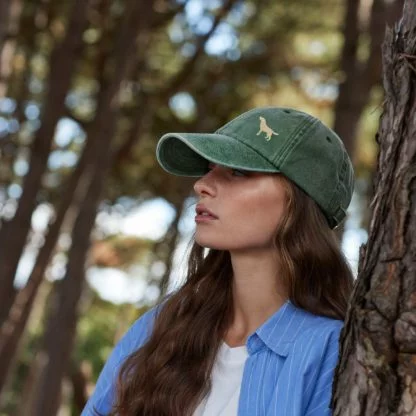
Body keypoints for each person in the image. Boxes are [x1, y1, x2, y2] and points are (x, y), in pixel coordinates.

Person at [82, 106, 355, 416]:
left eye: (238, 171)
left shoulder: (331, 351)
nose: (202, 185)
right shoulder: (160, 327)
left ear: (300, 201)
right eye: (210, 168)